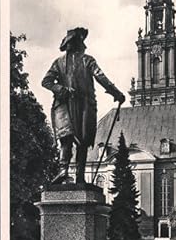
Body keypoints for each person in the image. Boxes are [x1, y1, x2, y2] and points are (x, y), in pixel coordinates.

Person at [42, 27, 125, 184]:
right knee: (68, 138)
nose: (82, 45)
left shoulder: (86, 60)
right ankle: (64, 171)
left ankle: (76, 175)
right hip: (68, 104)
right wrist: (62, 89)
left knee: (81, 141)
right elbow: (46, 81)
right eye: (79, 42)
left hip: (82, 106)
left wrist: (116, 93)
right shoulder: (62, 62)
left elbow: (101, 77)